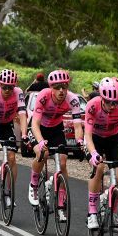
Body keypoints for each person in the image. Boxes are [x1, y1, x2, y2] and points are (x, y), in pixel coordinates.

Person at [27, 69, 84, 221]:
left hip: (56, 129)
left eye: (64, 87)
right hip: (38, 127)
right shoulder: (43, 96)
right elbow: (35, 123)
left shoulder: (72, 99)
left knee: (63, 161)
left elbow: (78, 126)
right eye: (57, 87)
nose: (61, 91)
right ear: (51, 88)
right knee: (43, 153)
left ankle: (61, 201)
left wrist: (80, 142)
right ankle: (33, 185)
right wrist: (40, 142)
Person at [83, 77, 118, 229]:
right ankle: (92, 212)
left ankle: (114, 209)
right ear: (102, 98)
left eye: (116, 102)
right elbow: (88, 135)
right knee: (98, 168)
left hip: (113, 138)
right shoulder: (93, 105)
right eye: (109, 102)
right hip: (94, 139)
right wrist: (93, 153)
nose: (113, 105)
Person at [0, 68, 27, 195]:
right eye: (4, 87)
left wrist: (24, 134)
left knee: (12, 157)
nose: (7, 90)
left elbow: (23, 114)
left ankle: (9, 191)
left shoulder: (18, 93)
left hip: (7, 124)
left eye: (10, 87)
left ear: (14, 86)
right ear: (0, 84)